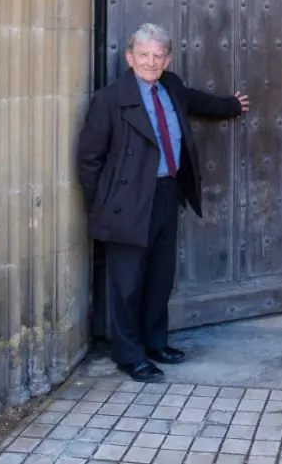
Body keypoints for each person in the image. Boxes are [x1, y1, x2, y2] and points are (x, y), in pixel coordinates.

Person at [77, 23, 249, 383]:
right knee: (126, 284)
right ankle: (129, 355)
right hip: (126, 203)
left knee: (159, 277)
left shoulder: (170, 87)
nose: (151, 62)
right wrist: (101, 206)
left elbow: (200, 101)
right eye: (144, 55)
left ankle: (156, 343)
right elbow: (89, 159)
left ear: (167, 59)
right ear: (129, 57)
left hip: (166, 194)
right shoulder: (109, 99)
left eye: (158, 55)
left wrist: (232, 105)